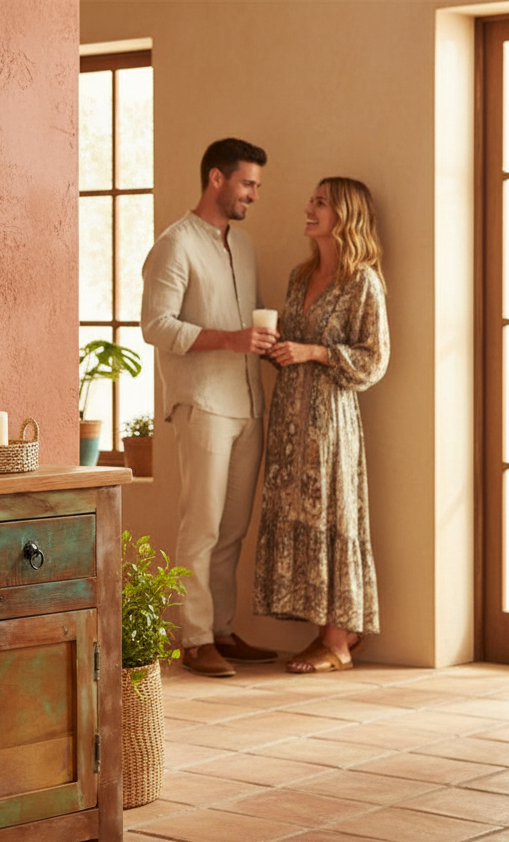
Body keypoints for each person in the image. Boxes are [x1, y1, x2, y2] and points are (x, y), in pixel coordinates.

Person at [141, 138, 278, 678]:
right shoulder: (175, 245)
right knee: (201, 526)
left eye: (257, 186)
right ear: (216, 179)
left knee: (233, 528)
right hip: (202, 405)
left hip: (248, 404)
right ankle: (194, 639)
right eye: (248, 184)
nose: (254, 195)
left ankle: (220, 629)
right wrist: (230, 339)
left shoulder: (243, 246)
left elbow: (248, 320)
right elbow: (156, 325)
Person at [253, 177, 390, 672]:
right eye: (311, 199)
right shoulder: (299, 276)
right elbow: (294, 345)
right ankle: (330, 633)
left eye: (321, 202)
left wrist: (312, 351)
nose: (309, 208)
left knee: (333, 516)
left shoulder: (362, 282)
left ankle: (336, 642)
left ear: (345, 215)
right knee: (300, 516)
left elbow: (374, 359)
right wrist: (276, 348)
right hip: (288, 418)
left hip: (331, 420)